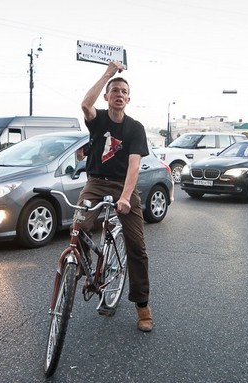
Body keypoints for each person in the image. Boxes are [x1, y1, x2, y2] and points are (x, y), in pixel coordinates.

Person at [75, 60, 153, 332]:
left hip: (123, 187)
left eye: (123, 92)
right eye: (114, 91)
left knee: (136, 246)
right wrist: (108, 73)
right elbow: (85, 104)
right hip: (96, 183)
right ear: (107, 97)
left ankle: (142, 305)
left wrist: (125, 197)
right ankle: (81, 269)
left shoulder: (135, 128)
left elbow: (134, 165)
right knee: (80, 226)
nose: (119, 94)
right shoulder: (98, 121)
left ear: (128, 99)